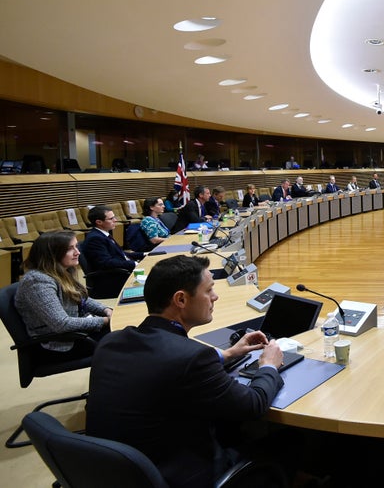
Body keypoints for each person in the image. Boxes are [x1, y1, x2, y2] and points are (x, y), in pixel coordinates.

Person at [86, 254, 284, 488]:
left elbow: (163, 364)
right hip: (181, 476)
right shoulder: (191, 358)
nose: (215, 297)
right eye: (209, 290)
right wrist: (269, 364)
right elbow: (253, 404)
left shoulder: (110, 342)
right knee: (286, 443)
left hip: (116, 473)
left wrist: (228, 354)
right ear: (180, 299)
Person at [14, 231, 112, 362]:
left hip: (76, 334)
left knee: (129, 329)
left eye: (76, 246)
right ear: (52, 254)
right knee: (127, 338)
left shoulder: (61, 271)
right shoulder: (37, 281)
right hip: (59, 345)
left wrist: (106, 310)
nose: (78, 252)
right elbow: (62, 324)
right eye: (70, 249)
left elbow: (81, 299)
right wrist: (105, 321)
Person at [81, 204, 143, 270]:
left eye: (114, 217)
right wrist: (134, 264)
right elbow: (106, 262)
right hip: (114, 275)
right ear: (99, 222)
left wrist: (143, 254)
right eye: (111, 218)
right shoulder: (95, 239)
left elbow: (120, 253)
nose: (115, 220)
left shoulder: (103, 234)